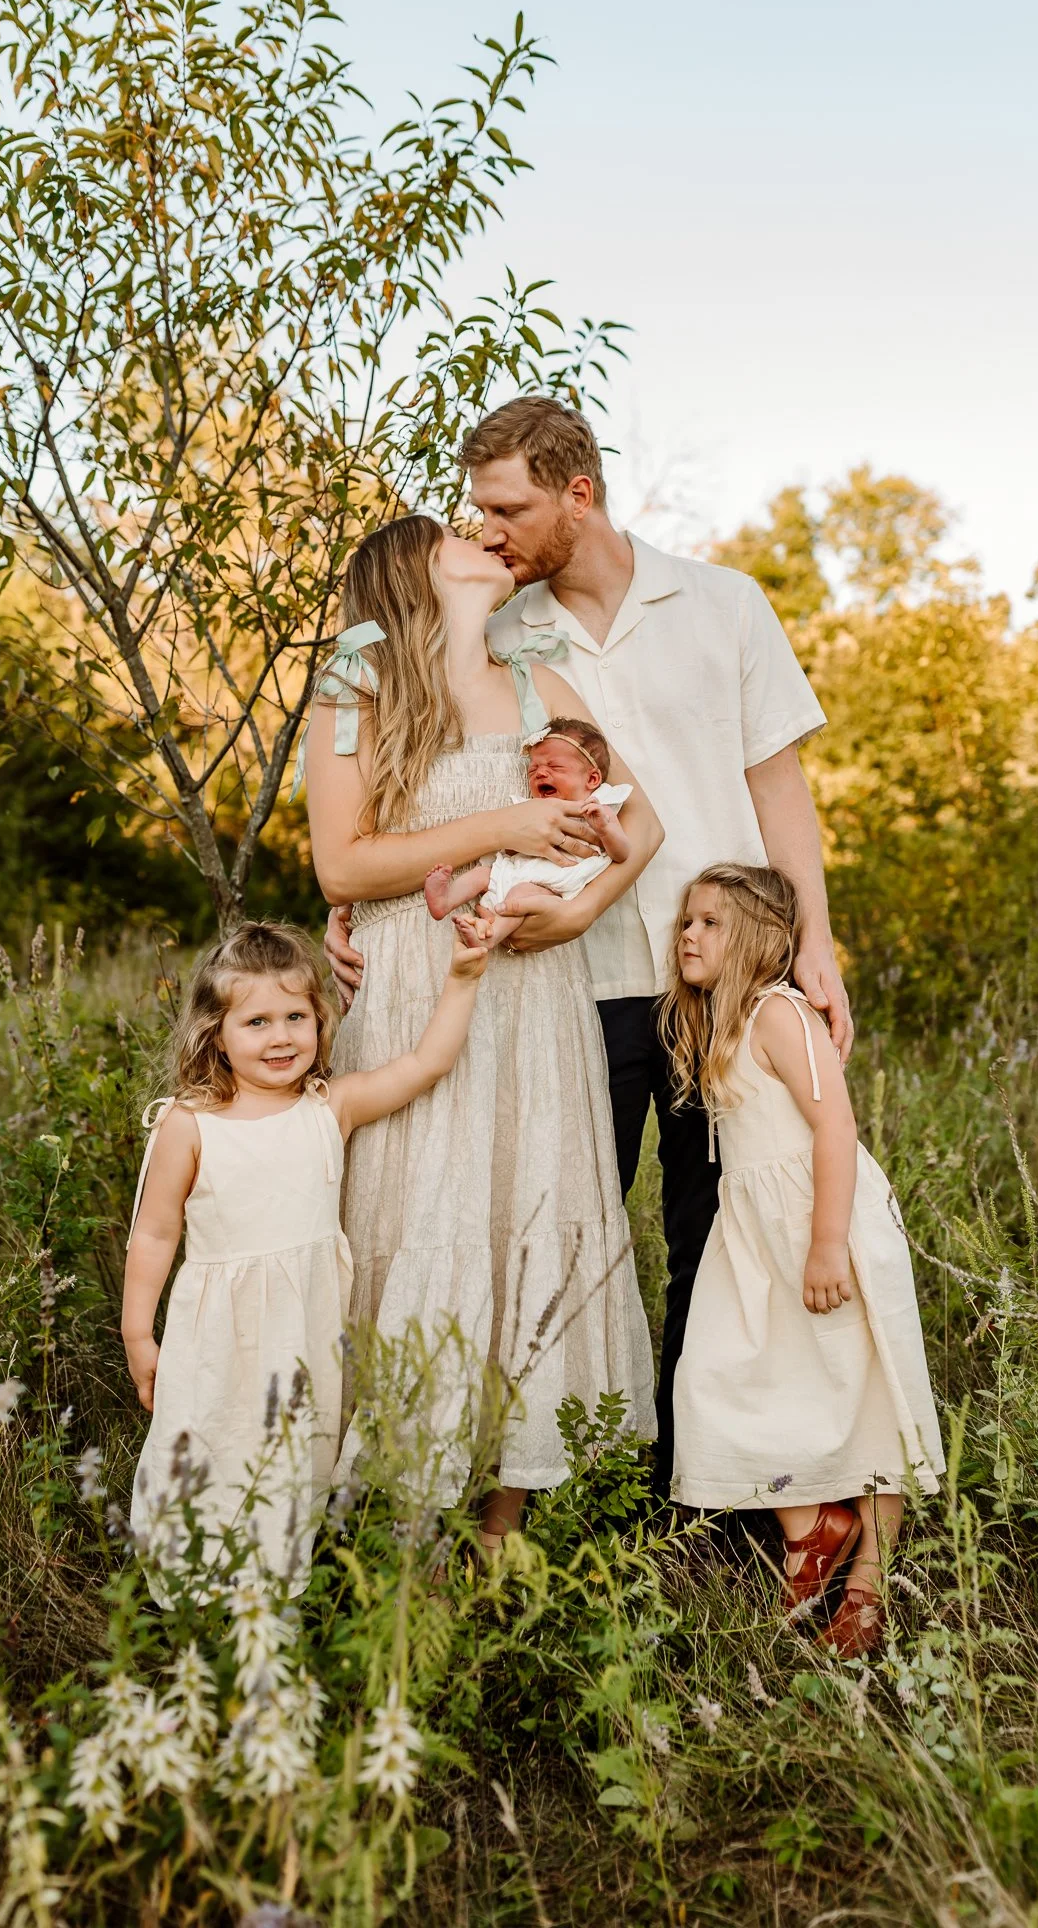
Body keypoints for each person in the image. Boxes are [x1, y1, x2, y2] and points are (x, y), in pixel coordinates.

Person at [324, 397, 850, 1489]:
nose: (485, 530)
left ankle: (716, 1491)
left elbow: (777, 786)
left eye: (506, 506)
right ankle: (564, 1479)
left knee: (724, 1234)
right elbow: (393, 726)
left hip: (724, 980)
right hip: (570, 983)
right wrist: (363, 900)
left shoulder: (722, 603)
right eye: (474, 512)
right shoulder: (492, 626)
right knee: (560, 1233)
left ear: (580, 491)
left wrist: (818, 941)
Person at [302, 514, 661, 1557]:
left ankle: (501, 1525)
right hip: (416, 985)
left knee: (523, 1207)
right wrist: (502, 827)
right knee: (416, 1212)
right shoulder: (352, 689)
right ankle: (402, 1525)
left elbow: (641, 828)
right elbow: (343, 866)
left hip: (533, 993)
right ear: (415, 569)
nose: (486, 539)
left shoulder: (542, 685)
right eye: (459, 534)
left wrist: (581, 909)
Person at [123, 920, 488, 1593]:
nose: (282, 1036)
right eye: (256, 1021)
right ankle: (192, 1595)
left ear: (320, 1021)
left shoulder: (330, 1108)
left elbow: (424, 1065)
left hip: (304, 1335)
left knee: (293, 1458)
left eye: (297, 1016)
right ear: (216, 1033)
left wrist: (461, 979)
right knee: (208, 1445)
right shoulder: (189, 1122)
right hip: (217, 1338)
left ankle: (276, 1588)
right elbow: (154, 1234)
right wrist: (138, 1331)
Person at [661, 865, 944, 1656]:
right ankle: (810, 1521)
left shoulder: (779, 1012)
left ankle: (866, 1591)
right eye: (686, 921)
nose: (688, 934)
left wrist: (825, 1244)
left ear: (762, 940)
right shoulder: (719, 1021)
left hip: (820, 1223)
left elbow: (833, 1128)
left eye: (710, 923)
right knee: (709, 1375)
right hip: (753, 1233)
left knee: (862, 1392)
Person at [424, 715, 631, 951]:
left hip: (550, 882)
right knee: (482, 873)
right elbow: (511, 848)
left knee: (522, 895)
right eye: (533, 770)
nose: (540, 774)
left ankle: (490, 936)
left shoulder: (600, 809)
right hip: (516, 869)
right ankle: (445, 901)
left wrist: (606, 830)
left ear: (592, 778)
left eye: (555, 767)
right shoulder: (530, 808)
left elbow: (621, 854)